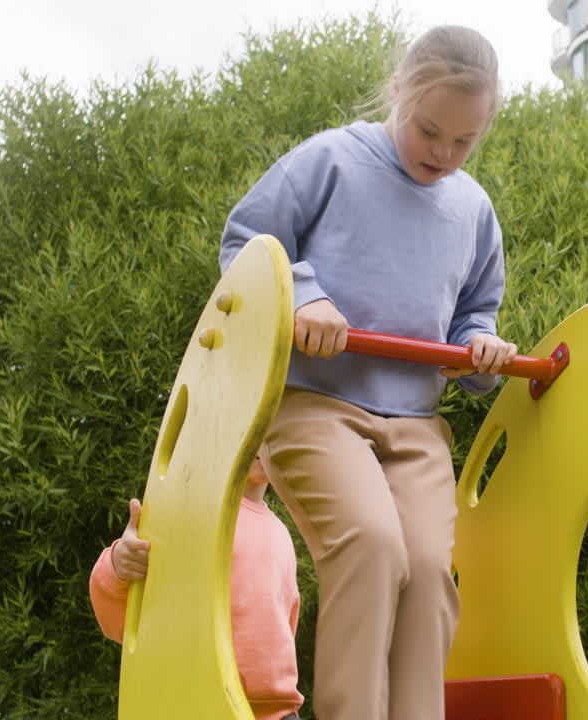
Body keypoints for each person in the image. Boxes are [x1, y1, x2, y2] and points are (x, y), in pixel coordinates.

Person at [217, 24, 516, 720]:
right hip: (315, 403)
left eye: (463, 142)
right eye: (429, 130)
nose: (442, 153)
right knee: (374, 548)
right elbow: (245, 242)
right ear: (398, 92)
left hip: (414, 421)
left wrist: (482, 350)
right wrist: (303, 293)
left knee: (428, 575)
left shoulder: (472, 209)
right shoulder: (330, 161)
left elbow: (476, 312)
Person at [89, 458, 304, 720]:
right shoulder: (188, 511)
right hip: (199, 702)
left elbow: (286, 622)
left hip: (275, 711)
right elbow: (122, 616)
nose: (262, 435)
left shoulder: (281, 533)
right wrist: (119, 564)